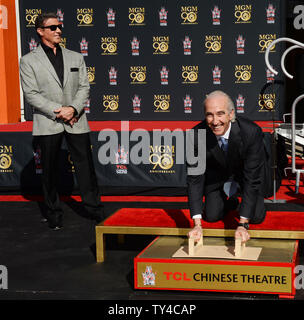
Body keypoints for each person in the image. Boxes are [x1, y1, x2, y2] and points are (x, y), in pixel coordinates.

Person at [19, 12, 104, 230]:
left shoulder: (76, 57)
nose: (58, 30)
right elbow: (31, 94)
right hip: (49, 121)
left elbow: (85, 86)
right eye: (53, 27)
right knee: (49, 171)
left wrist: (73, 108)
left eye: (59, 27)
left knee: (86, 167)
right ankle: (53, 213)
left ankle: (95, 210)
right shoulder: (28, 61)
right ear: (40, 32)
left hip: (76, 119)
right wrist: (59, 111)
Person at [187, 90, 267, 243]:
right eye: (209, 114)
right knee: (211, 216)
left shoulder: (251, 132)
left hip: (245, 177)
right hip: (217, 178)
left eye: (220, 114)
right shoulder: (195, 135)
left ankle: (244, 202)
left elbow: (252, 178)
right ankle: (230, 201)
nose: (215, 121)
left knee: (255, 217)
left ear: (231, 114)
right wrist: (197, 224)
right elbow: (194, 179)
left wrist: (243, 224)